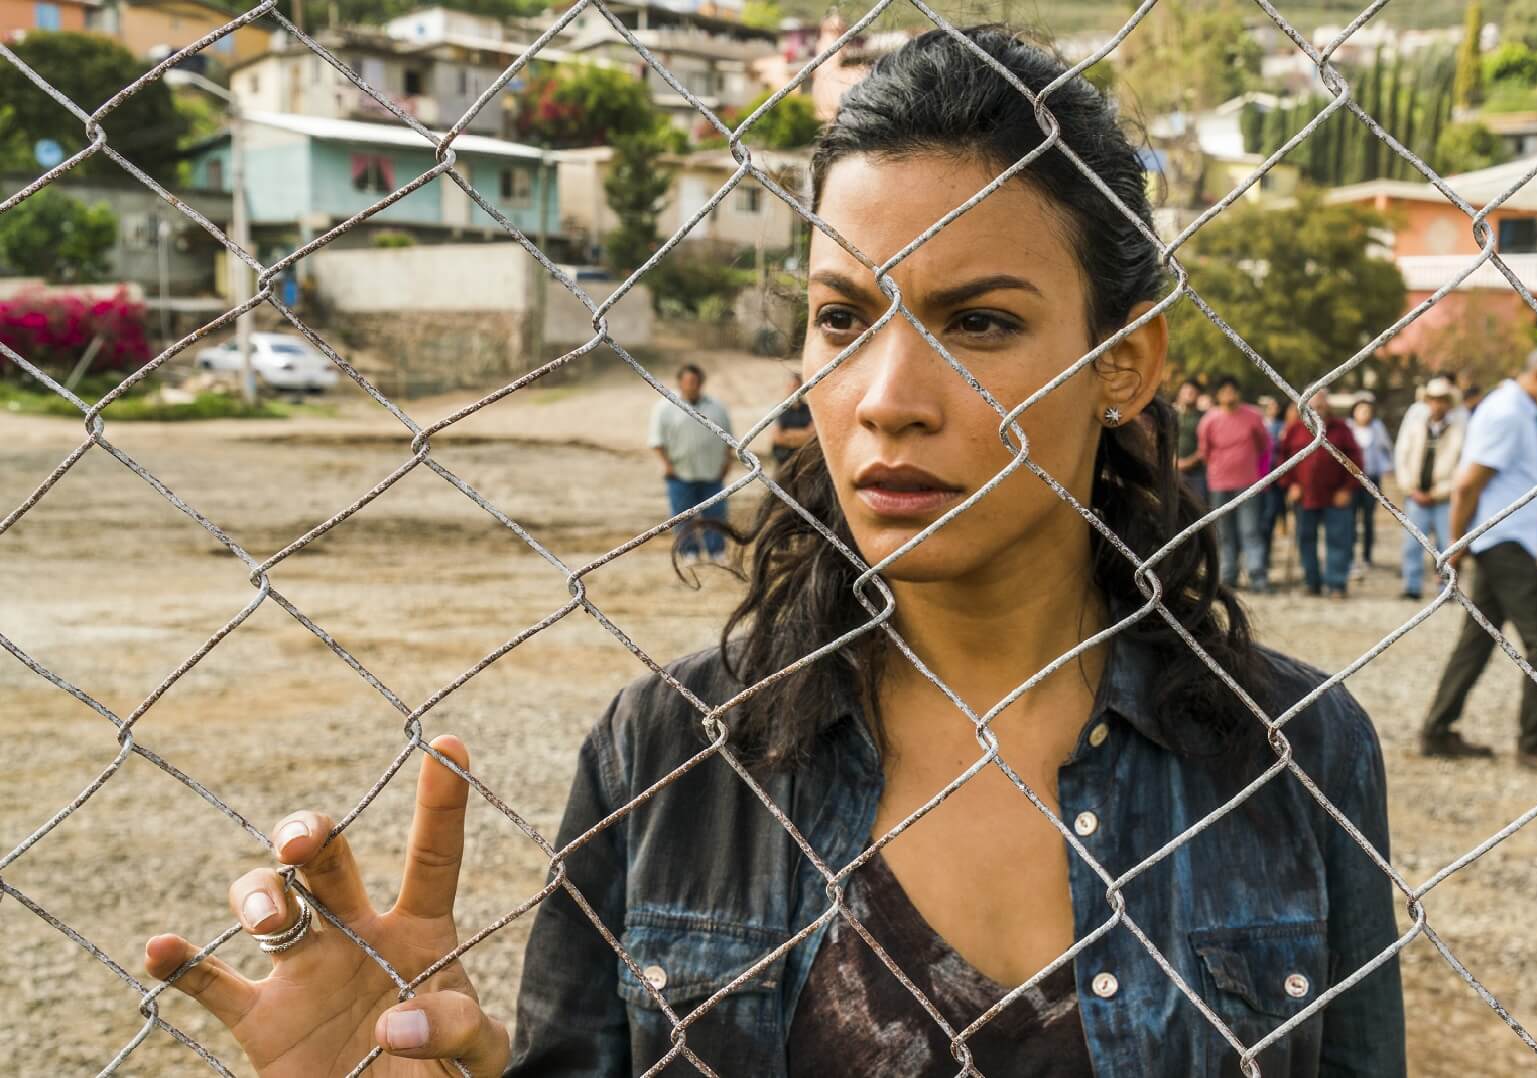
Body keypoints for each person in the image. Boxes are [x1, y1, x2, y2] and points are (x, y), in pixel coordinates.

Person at [142, 27, 1407, 1078]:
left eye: (978, 322)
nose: (887, 396)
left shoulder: (1287, 755)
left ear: (1122, 364)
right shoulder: (669, 755)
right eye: (842, 318)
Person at [1420, 345, 1537, 776]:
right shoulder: (1508, 412)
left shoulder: (1516, 408)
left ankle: (1437, 729)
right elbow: (1468, 483)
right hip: (1502, 541)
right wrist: (1456, 541)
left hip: (1499, 539)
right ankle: (1535, 743)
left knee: (1476, 640)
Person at [1278, 390, 1363, 597]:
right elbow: (1282, 459)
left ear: (1328, 404)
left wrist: (1347, 489)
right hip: (1304, 496)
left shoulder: (1342, 429)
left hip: (1335, 496)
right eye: (1314, 402)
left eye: (1322, 401)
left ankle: (1336, 584)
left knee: (1338, 540)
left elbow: (1356, 461)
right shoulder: (1295, 429)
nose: (1319, 406)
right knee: (1305, 539)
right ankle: (1312, 582)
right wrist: (1290, 485)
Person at [649, 362, 736, 562]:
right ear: (680, 383)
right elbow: (656, 441)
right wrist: (667, 465)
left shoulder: (717, 407)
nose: (691, 385)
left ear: (701, 383)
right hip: (680, 473)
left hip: (712, 472)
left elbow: (729, 439)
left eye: (695, 381)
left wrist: (727, 462)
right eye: (687, 381)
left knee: (715, 515)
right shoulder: (665, 407)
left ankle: (716, 551)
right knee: (682, 516)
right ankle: (689, 552)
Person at [1196, 375, 1274, 593]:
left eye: (1232, 390)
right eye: (1224, 390)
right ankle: (1227, 575)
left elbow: (1265, 447)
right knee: (1224, 532)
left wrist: (1262, 477)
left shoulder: (1252, 416)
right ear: (1218, 395)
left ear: (1238, 393)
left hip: (1248, 483)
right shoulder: (1209, 420)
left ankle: (1257, 575)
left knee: (1250, 530)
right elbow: (1205, 452)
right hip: (1219, 483)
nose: (1229, 394)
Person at [1391, 377, 1465, 601]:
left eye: (1442, 400)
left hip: (1444, 497)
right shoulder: (1415, 425)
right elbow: (1401, 456)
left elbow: (1461, 464)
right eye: (1433, 399)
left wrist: (1440, 492)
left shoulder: (1459, 429)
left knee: (1446, 546)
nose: (1437, 404)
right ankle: (1412, 586)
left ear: (1448, 403)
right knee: (1412, 544)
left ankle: (1446, 588)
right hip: (1416, 495)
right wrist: (1409, 488)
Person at [1348, 393, 1394, 575]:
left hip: (1371, 478)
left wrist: (1388, 467)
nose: (1365, 414)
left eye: (1368, 410)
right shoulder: (1348, 428)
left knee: (1368, 519)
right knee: (1350, 519)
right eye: (1361, 410)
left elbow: (1386, 449)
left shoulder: (1377, 428)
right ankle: (1350, 557)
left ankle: (1366, 556)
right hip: (1351, 480)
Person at [1256, 395, 1288, 546]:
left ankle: (1282, 522)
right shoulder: (1260, 424)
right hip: (1261, 473)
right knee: (1263, 511)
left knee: (1273, 508)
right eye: (1270, 407)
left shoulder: (1283, 425)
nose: (1273, 410)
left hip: (1278, 471)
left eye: (1276, 407)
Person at [770, 370, 815, 467]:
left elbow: (811, 437)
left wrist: (787, 435)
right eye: (790, 385)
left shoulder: (809, 410)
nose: (793, 389)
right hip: (783, 461)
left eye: (796, 386)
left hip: (804, 462)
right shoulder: (778, 409)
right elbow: (777, 437)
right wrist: (801, 437)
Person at [1173, 377, 1206, 501]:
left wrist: (1188, 462)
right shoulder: (1169, 414)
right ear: (1180, 392)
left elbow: (1206, 447)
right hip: (1170, 471)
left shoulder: (1204, 417)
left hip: (1197, 474)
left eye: (1193, 390)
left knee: (1198, 511)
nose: (1189, 392)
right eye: (1186, 388)